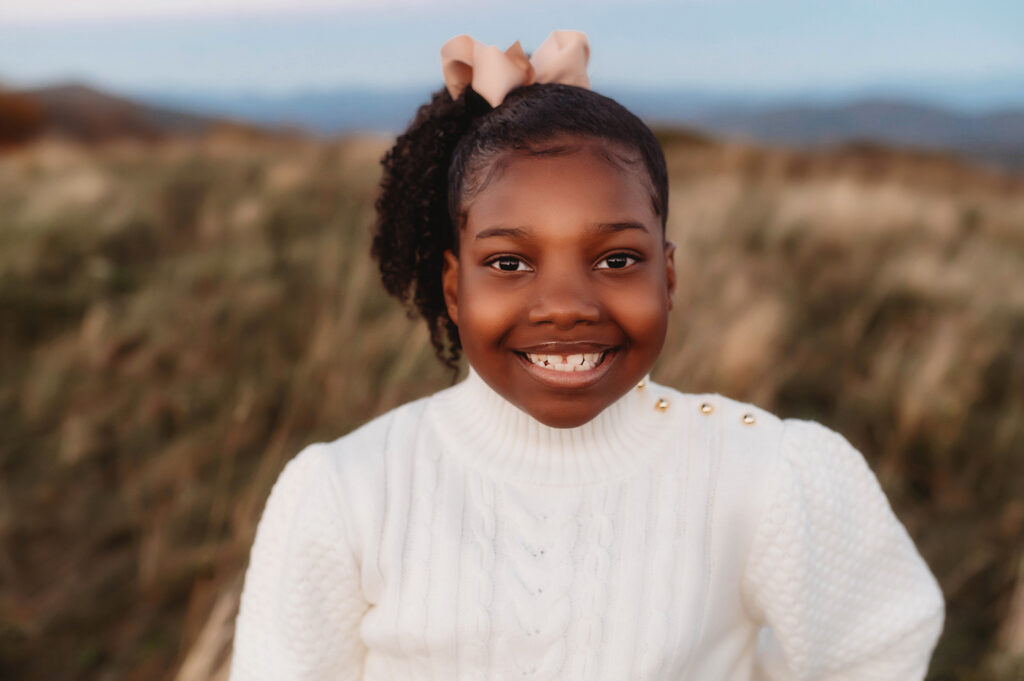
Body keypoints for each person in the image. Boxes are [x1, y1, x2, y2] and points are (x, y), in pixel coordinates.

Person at [229, 31, 945, 681]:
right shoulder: (348, 493)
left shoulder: (763, 475)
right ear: (454, 288)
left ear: (668, 276)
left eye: (616, 258)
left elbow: (876, 644)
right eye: (509, 263)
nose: (566, 304)